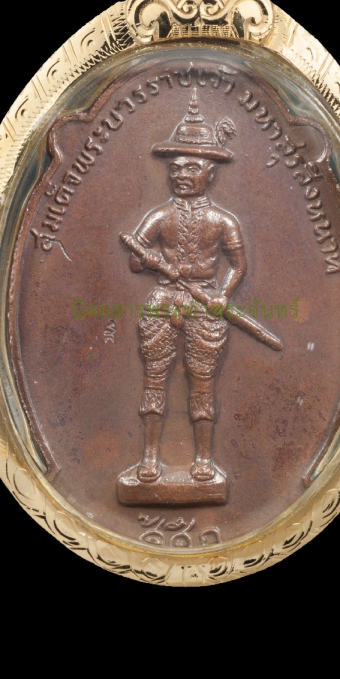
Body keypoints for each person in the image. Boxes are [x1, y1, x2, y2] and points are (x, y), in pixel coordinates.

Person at [127, 90, 246, 483]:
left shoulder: (224, 221)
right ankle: (149, 457)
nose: (181, 174)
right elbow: (134, 259)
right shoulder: (159, 217)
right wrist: (150, 261)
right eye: (175, 168)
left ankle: (204, 461)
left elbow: (238, 266)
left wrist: (223, 296)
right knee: (154, 379)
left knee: (202, 382)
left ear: (210, 173)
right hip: (163, 298)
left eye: (191, 167)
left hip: (205, 299)